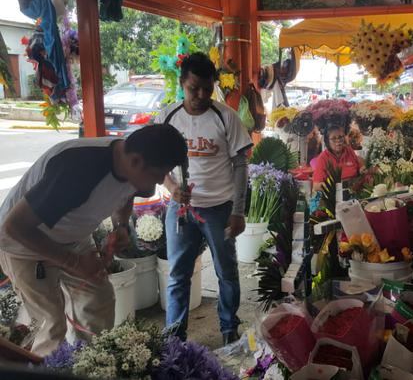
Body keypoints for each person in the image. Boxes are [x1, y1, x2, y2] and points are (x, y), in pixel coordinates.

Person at [0, 124, 187, 355]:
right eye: (160, 173)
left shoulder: (134, 166)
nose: (161, 182)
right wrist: (74, 263)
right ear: (137, 161)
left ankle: (87, 364)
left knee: (98, 299)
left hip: (73, 237)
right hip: (24, 243)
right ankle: (44, 369)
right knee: (50, 323)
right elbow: (13, 226)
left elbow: (127, 194)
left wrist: (120, 226)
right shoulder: (77, 170)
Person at [155, 52, 253, 345]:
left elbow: (240, 165)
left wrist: (238, 211)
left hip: (220, 210)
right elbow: (156, 163)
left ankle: (228, 329)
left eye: (207, 89)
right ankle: (175, 338)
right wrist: (172, 186)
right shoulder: (168, 117)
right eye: (193, 88)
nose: (200, 95)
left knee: (227, 273)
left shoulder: (226, 116)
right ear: (182, 82)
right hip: (182, 209)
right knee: (178, 276)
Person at [312, 124, 362, 192]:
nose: (338, 141)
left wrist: (363, 169)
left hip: (355, 193)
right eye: (334, 138)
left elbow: (360, 168)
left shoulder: (349, 151)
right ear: (327, 141)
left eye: (340, 137)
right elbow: (316, 186)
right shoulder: (323, 158)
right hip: (334, 196)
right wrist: (339, 186)